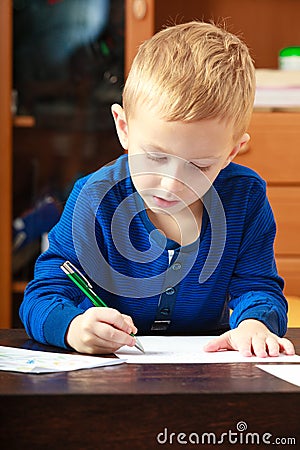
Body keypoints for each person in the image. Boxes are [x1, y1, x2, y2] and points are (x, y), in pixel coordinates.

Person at [20, 21, 295, 357]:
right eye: (154, 157)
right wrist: (73, 328)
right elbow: (43, 295)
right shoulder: (94, 197)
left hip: (209, 380)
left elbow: (259, 288)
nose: (171, 183)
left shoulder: (245, 197)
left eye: (199, 164)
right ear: (123, 128)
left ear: (232, 151)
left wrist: (255, 324)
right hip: (110, 382)